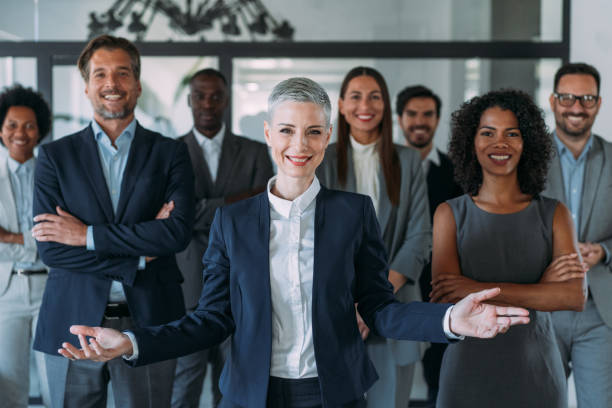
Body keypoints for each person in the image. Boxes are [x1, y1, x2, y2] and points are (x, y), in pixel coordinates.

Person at [58, 77, 529, 408]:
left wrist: (451, 318)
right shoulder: (233, 221)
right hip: (250, 394)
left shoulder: (353, 213)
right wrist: (131, 343)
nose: (298, 144)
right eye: (286, 130)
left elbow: (381, 308)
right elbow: (210, 319)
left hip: (335, 392)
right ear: (268, 135)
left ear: (327, 138)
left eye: (311, 132)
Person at [31, 34, 194, 408]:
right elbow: (52, 250)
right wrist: (138, 255)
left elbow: (176, 233)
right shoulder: (55, 157)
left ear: (137, 85)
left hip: (151, 321)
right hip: (70, 321)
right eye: (100, 74)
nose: (112, 84)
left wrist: (85, 235)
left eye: (122, 74)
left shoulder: (171, 153)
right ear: (87, 87)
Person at [431, 89, 588, 408]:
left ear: (526, 142)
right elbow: (446, 296)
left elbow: (573, 296)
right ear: (471, 143)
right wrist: (541, 289)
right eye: (487, 133)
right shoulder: (449, 214)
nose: (499, 143)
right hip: (467, 372)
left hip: (536, 372)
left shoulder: (555, 214)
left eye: (511, 133)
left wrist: (475, 290)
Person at [317, 67, 428, 407]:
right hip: (337, 309)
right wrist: (353, 303)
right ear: (340, 104)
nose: (365, 105)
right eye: (355, 96)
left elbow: (420, 234)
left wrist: (373, 301)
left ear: (385, 105)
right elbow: (315, 238)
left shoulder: (408, 160)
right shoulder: (321, 159)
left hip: (394, 306)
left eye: (374, 96)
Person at [173, 68, 273, 408]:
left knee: (234, 384)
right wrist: (238, 201)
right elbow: (178, 218)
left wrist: (202, 209)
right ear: (189, 100)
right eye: (200, 95)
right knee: (184, 383)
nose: (207, 103)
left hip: (241, 286)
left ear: (226, 100)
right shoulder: (171, 152)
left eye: (215, 96)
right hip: (187, 288)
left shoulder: (257, 152)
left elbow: (263, 215)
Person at [542, 62, 612, 408]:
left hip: (599, 310)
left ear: (598, 104)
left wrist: (604, 250)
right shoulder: (528, 159)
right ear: (553, 101)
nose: (577, 107)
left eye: (586, 98)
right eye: (568, 97)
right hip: (542, 305)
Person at [395, 84, 462, 406]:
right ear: (399, 119)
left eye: (427, 114)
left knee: (441, 373)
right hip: (395, 282)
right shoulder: (387, 169)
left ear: (437, 119)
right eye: (412, 114)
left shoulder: (457, 172)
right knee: (393, 373)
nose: (419, 121)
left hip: (440, 285)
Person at [0, 84, 51, 408]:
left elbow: (59, 233)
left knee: (55, 381)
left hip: (50, 285)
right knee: (10, 383)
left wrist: (10, 237)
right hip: (6, 291)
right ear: (1, 131)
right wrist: (33, 238)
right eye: (12, 125)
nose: (21, 132)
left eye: (29, 125)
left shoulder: (53, 175)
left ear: (40, 130)